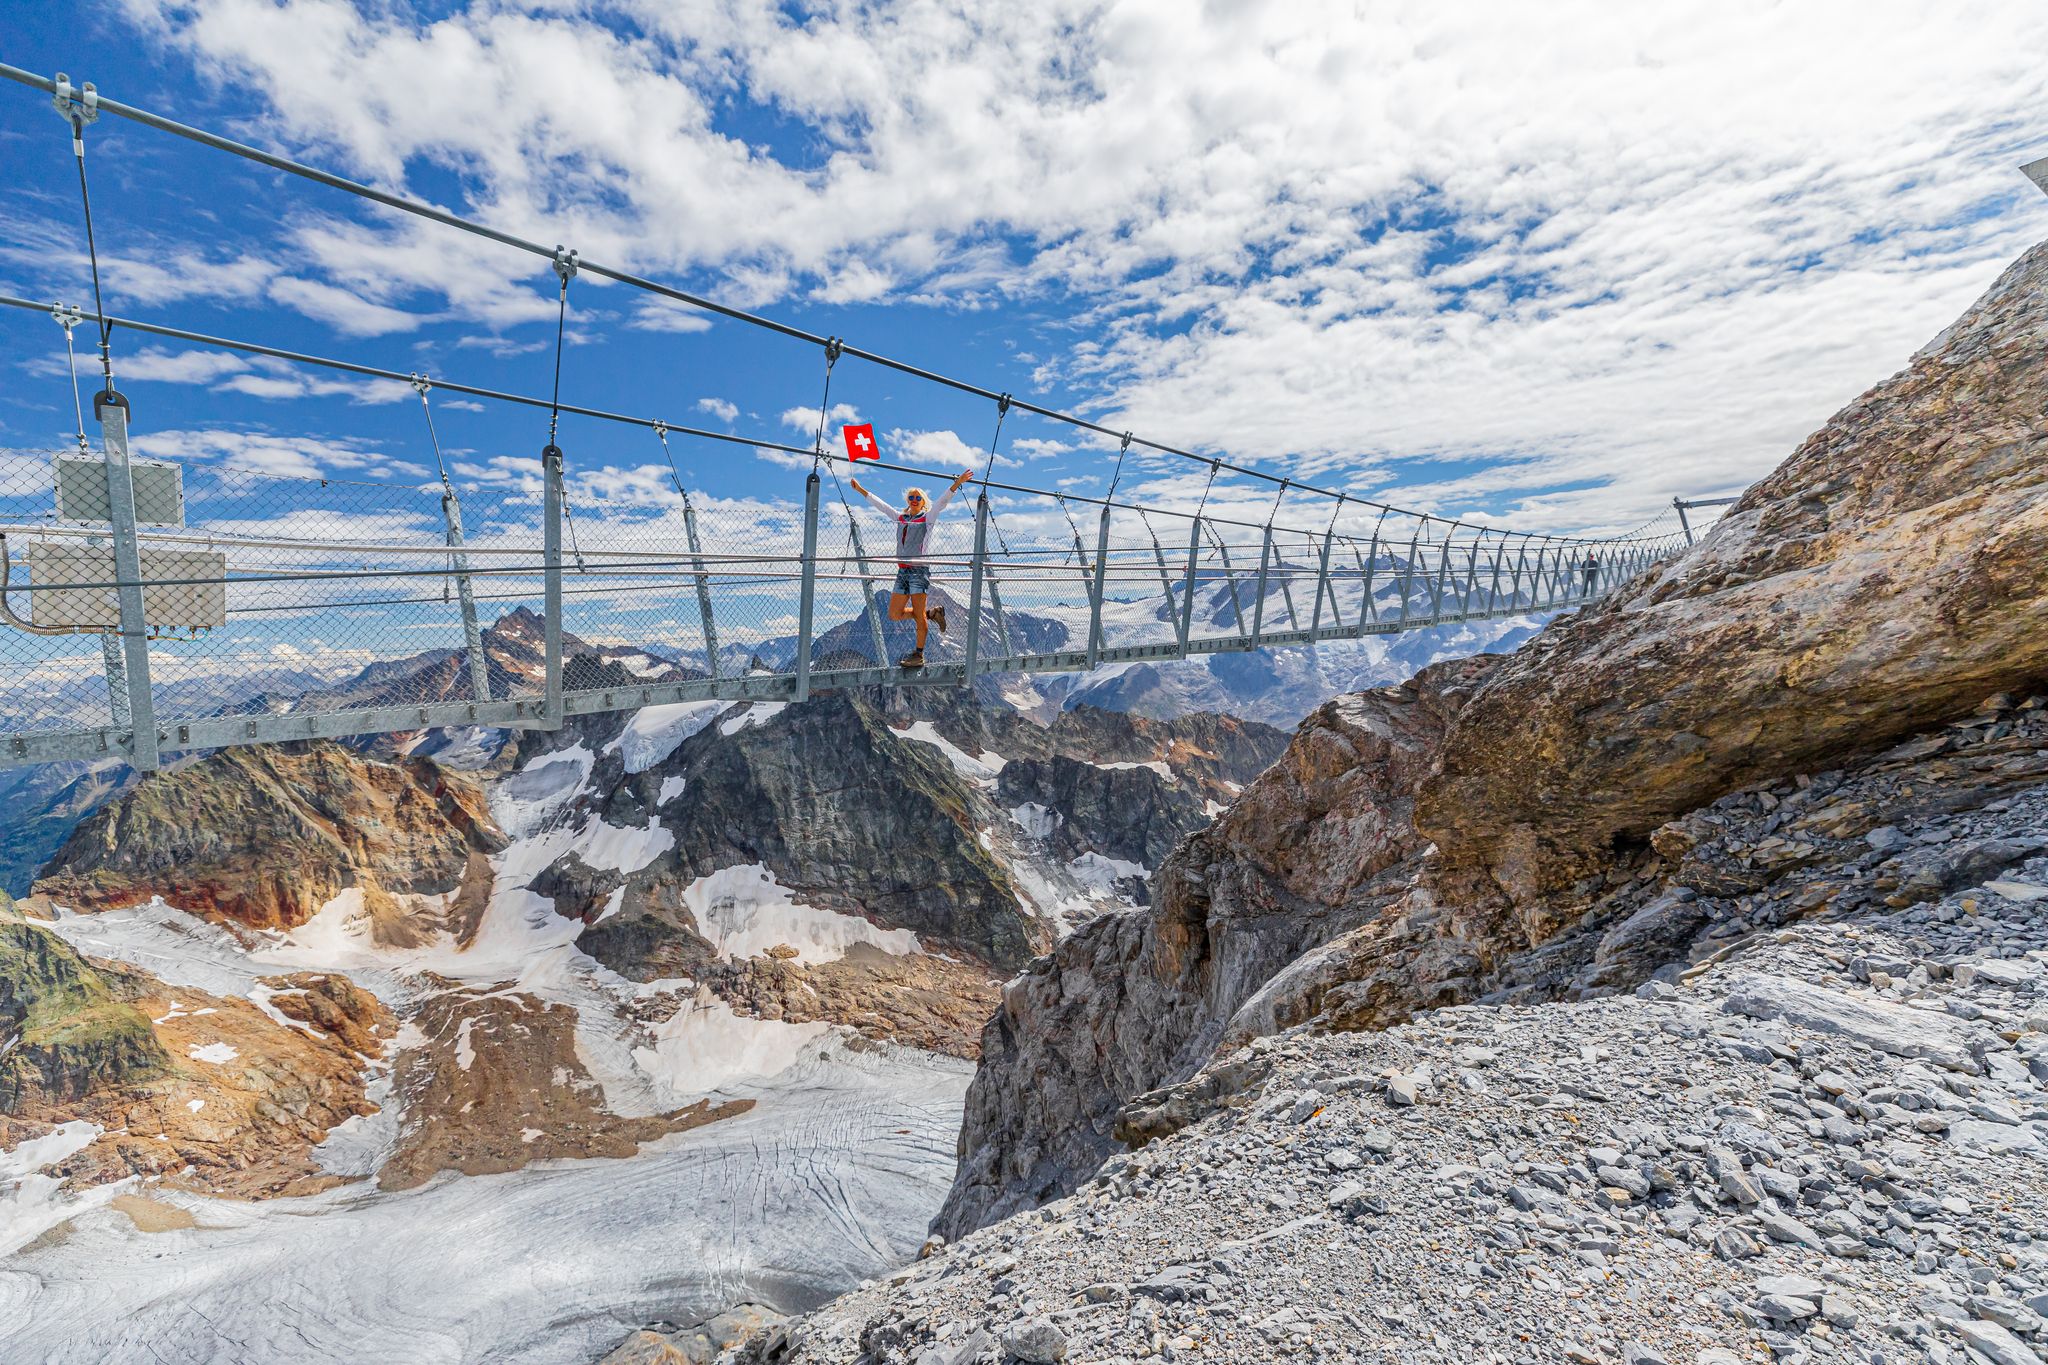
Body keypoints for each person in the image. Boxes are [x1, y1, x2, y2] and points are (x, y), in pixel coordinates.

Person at [852, 468, 976, 668]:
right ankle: (932, 614)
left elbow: (942, 503)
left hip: (918, 571)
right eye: (911, 496)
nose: (914, 499)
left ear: (923, 501)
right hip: (902, 571)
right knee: (894, 613)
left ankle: (919, 654)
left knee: (917, 615)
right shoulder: (901, 518)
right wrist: (860, 490)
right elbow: (882, 506)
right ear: (908, 500)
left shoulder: (927, 518)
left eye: (918, 497)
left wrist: (958, 483)